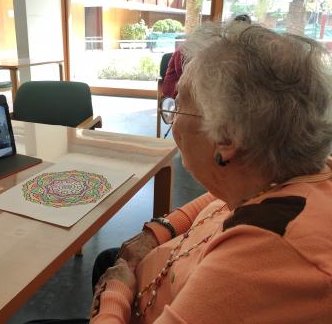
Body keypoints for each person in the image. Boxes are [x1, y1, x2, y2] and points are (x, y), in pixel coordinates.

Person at [86, 21, 332, 323]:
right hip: (166, 269)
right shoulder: (290, 176)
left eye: (177, 106)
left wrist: (115, 291)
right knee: (107, 259)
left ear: (226, 138)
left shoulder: (260, 257)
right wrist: (158, 232)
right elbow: (215, 202)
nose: (172, 120)